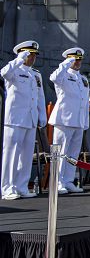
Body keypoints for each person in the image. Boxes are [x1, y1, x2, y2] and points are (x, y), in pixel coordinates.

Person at [1, 41, 46, 200]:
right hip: (14, 119)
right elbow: (3, 73)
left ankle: (21, 187)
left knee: (26, 155)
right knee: (11, 154)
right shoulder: (13, 70)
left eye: (34, 55)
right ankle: (7, 188)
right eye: (29, 54)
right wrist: (19, 59)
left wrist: (42, 115)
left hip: (30, 119)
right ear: (21, 54)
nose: (32, 57)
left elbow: (40, 96)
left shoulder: (36, 74)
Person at [49, 47, 89, 194]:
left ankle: (68, 180)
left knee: (73, 154)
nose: (77, 62)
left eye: (79, 60)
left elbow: (84, 102)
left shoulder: (83, 79)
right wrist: (66, 63)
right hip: (64, 120)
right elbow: (53, 78)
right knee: (61, 152)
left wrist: (85, 122)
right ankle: (58, 181)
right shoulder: (63, 75)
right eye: (74, 60)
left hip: (78, 121)